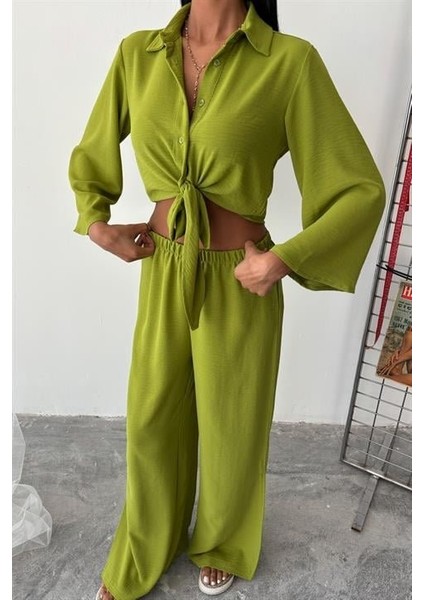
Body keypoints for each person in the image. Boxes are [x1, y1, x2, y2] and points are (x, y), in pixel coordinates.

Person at [68, 1, 386, 598]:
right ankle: (148, 542)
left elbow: (359, 188)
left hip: (241, 276)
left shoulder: (289, 62)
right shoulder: (139, 53)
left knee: (231, 424)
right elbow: (94, 148)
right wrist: (96, 222)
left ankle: (222, 540)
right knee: (151, 419)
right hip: (163, 265)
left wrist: (283, 259)